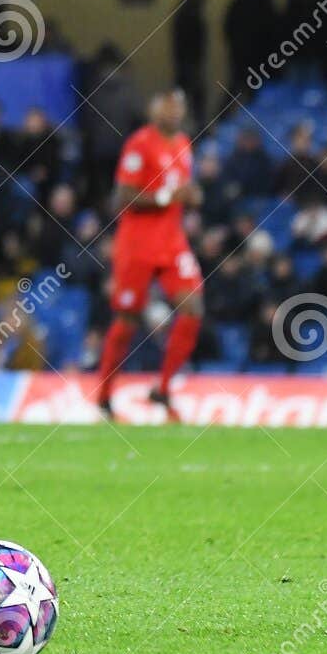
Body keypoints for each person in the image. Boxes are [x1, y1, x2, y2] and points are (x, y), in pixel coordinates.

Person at [96, 89, 203, 420]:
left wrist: (191, 196)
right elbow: (122, 198)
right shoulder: (139, 144)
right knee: (127, 320)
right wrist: (169, 196)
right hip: (137, 244)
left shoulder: (184, 144)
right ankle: (104, 396)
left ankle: (164, 389)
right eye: (166, 106)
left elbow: (182, 190)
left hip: (172, 243)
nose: (172, 113)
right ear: (153, 109)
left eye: (177, 108)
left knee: (193, 308)